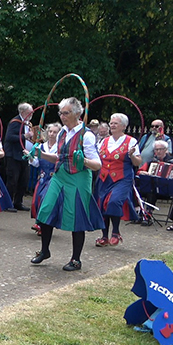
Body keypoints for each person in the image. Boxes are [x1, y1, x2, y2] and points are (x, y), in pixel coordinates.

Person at [30, 97, 104, 271]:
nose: (63, 116)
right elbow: (59, 157)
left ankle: (76, 259)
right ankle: (44, 250)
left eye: (66, 113)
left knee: (76, 218)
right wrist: (40, 154)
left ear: (78, 113)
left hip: (78, 178)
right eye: (61, 113)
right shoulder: (62, 132)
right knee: (45, 210)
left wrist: (83, 160)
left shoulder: (86, 135)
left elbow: (97, 164)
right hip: (59, 176)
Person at [93, 113, 143, 247]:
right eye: (111, 122)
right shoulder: (104, 141)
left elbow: (138, 161)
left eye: (115, 123)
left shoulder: (130, 141)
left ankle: (115, 232)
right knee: (102, 204)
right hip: (104, 178)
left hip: (122, 178)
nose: (112, 125)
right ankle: (104, 236)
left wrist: (132, 155)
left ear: (123, 126)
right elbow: (96, 158)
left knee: (114, 202)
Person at [136, 140, 173, 223]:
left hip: (166, 191)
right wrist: (141, 172)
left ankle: (148, 214)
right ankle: (139, 213)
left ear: (166, 150)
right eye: (156, 149)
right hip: (151, 189)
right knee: (136, 190)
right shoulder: (151, 162)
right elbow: (139, 172)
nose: (158, 151)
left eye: (160, 149)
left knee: (152, 191)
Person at [26, 123, 61, 236]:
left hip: (54, 178)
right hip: (42, 177)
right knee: (36, 201)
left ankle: (41, 223)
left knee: (45, 199)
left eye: (55, 132)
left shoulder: (60, 147)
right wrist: (30, 157)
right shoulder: (41, 146)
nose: (52, 134)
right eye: (50, 131)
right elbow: (36, 163)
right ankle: (40, 223)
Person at [3, 103, 34, 211]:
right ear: (23, 112)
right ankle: (7, 203)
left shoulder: (27, 124)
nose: (32, 114)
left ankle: (18, 202)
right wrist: (25, 136)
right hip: (13, 155)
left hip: (24, 156)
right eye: (30, 112)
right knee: (12, 180)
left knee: (24, 180)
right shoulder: (15, 122)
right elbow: (9, 137)